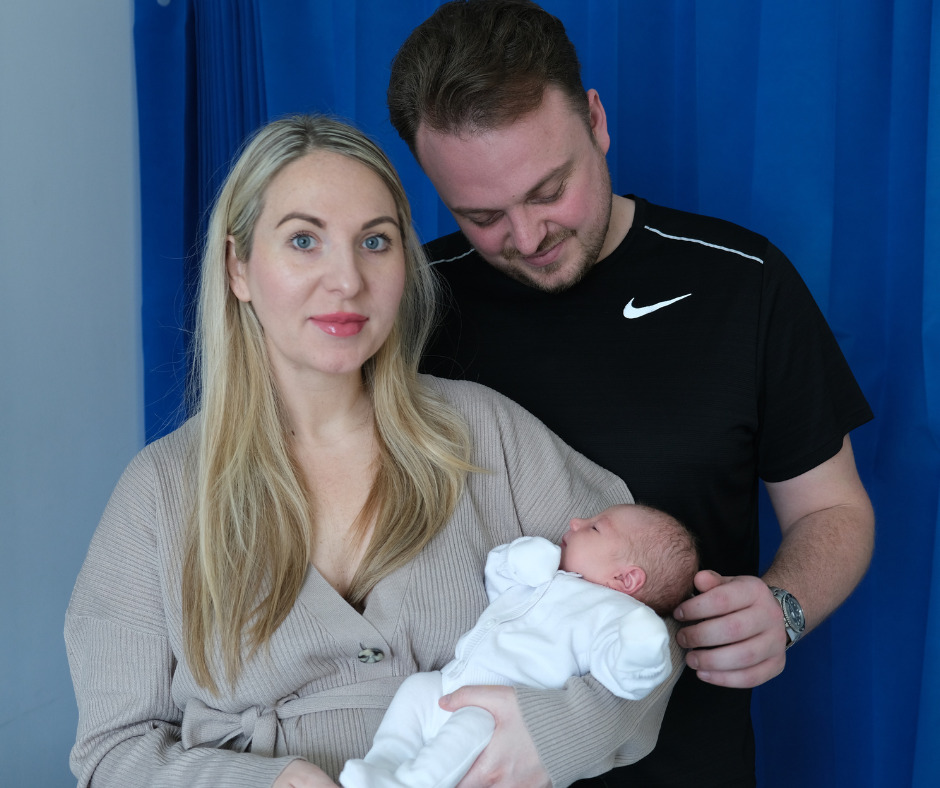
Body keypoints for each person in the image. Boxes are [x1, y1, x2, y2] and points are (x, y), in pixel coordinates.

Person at [64, 114, 685, 788]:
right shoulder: (158, 492)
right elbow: (109, 754)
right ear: (238, 267)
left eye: (375, 241)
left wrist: (556, 734)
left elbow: (649, 631)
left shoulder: (488, 433)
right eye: (304, 240)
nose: (347, 280)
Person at [387, 1, 876, 785]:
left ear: (596, 122)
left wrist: (783, 607)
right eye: (481, 215)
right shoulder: (406, 308)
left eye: (550, 190)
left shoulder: (740, 284)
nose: (527, 235)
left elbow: (833, 509)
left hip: (684, 763)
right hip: (447, 760)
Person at [339, 504, 698, 788]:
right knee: (416, 691)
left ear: (626, 578)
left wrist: (641, 643)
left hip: (501, 708)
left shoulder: (615, 616)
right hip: (451, 681)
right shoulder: (550, 578)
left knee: (466, 731)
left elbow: (625, 677)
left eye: (594, 527)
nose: (575, 522)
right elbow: (499, 587)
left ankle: (413, 783)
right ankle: (383, 765)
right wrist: (521, 560)